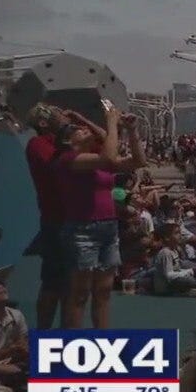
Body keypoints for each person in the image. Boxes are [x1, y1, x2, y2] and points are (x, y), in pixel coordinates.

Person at [55, 106, 147, 329]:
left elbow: (138, 160)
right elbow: (108, 150)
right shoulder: (70, 159)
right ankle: (73, 342)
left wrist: (132, 131)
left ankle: (102, 339)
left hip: (108, 227)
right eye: (79, 130)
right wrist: (112, 122)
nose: (87, 130)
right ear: (69, 141)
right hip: (83, 229)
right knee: (80, 293)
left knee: (103, 292)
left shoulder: (99, 161)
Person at [23, 104, 71, 329]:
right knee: (53, 282)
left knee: (71, 285)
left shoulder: (60, 142)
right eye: (55, 114)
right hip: (55, 220)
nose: (61, 115)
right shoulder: (37, 144)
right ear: (42, 123)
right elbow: (56, 165)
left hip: (73, 218)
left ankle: (66, 336)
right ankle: (43, 333)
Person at [151, 223, 196, 295]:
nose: (180, 236)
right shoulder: (166, 253)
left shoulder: (174, 251)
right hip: (165, 286)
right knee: (190, 281)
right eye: (176, 233)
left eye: (180, 233)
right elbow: (169, 275)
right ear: (167, 238)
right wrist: (190, 271)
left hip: (172, 281)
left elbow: (177, 269)